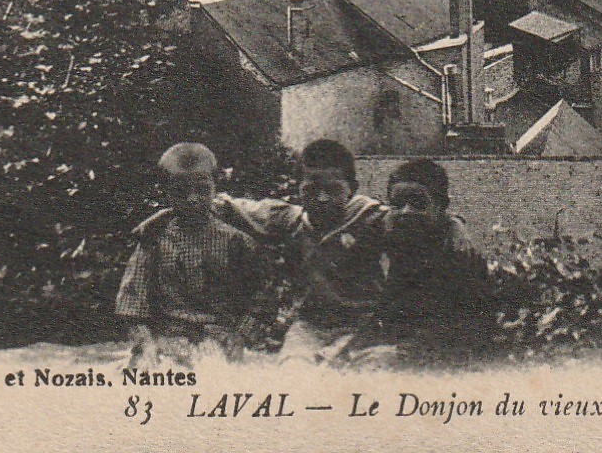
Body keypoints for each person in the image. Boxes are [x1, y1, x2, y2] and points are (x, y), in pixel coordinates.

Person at [210, 139, 388, 355]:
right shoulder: (290, 220)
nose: (322, 199)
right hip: (310, 326)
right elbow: (239, 208)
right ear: (298, 187)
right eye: (312, 190)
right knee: (293, 369)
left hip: (362, 324)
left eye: (333, 190)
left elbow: (412, 223)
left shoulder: (369, 217)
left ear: (352, 189)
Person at [115, 142, 263, 365]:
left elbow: (261, 296)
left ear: (215, 186)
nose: (193, 199)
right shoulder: (154, 239)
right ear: (165, 192)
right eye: (181, 192)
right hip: (167, 337)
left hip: (218, 336)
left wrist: (240, 335)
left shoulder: (236, 240)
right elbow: (132, 301)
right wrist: (145, 343)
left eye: (202, 190)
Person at [371, 158, 494, 357]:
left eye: (418, 204)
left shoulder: (458, 256)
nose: (406, 211)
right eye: (397, 204)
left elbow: (465, 331)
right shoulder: (394, 233)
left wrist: (402, 353)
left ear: (441, 206)